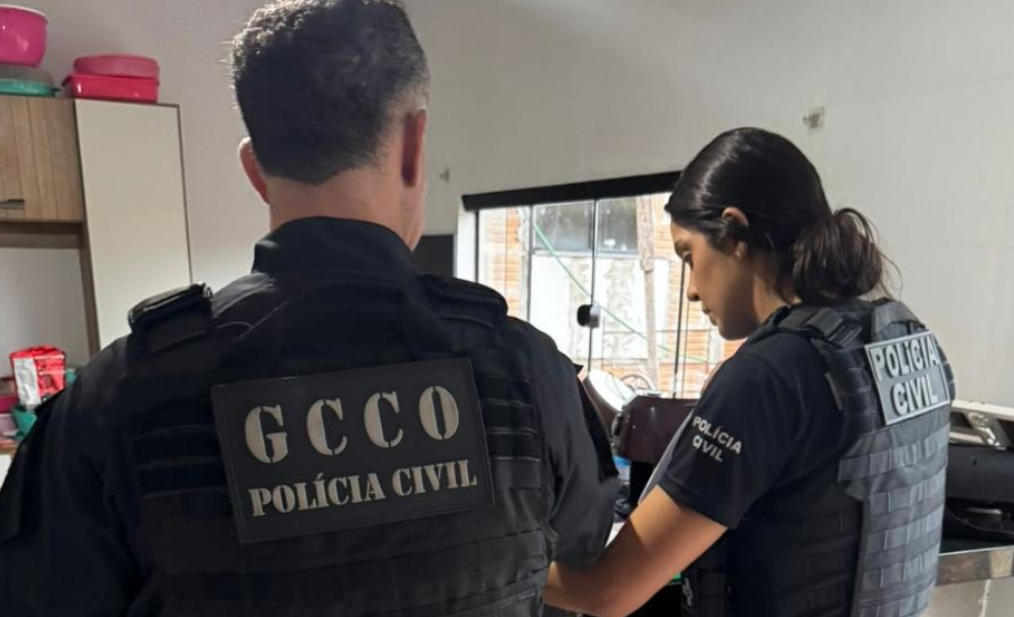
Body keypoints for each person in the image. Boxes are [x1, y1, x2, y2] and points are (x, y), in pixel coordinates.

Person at [0, 1, 618, 615]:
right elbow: (580, 545)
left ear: (254, 170)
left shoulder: (114, 396)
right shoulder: (527, 370)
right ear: (415, 146)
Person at [545, 128, 955, 617]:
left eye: (688, 256)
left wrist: (490, 567)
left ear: (734, 234)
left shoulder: (770, 375)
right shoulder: (906, 338)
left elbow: (609, 591)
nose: (691, 290)